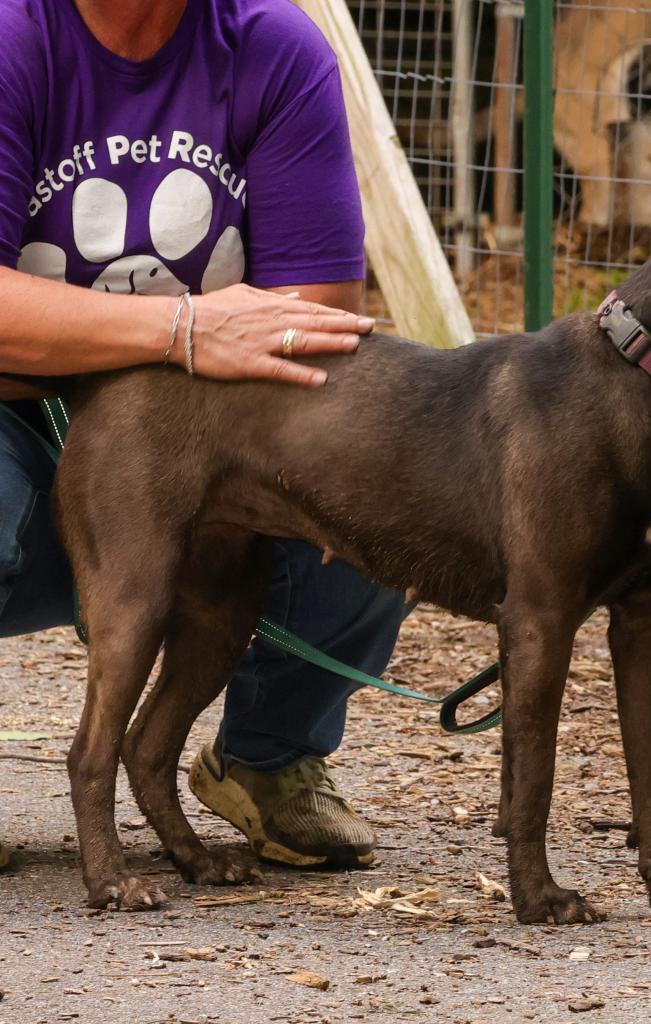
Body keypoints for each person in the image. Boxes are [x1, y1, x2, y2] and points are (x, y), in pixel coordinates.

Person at [0, 0, 407, 872]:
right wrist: (179, 331)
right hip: (20, 420)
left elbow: (316, 325)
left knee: (381, 478)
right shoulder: (12, 37)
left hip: (203, 433)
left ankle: (267, 757)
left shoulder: (274, 46)